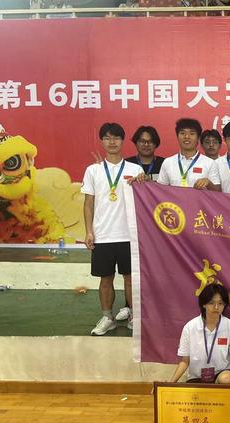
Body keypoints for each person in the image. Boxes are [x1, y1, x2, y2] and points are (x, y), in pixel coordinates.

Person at [81, 122, 144, 335]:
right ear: (102, 141)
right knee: (105, 279)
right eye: (107, 138)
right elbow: (88, 203)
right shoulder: (93, 170)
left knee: (130, 278)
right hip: (103, 235)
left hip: (129, 234)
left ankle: (134, 316)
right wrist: (89, 231)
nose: (112, 142)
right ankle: (107, 317)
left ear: (123, 141)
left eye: (116, 137)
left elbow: (145, 201)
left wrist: (143, 183)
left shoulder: (135, 170)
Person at [170, 283, 230, 386]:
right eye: (211, 303)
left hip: (221, 374)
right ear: (204, 304)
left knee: (226, 379)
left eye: (220, 303)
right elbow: (184, 361)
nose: (216, 307)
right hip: (197, 377)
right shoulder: (190, 327)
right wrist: (171, 383)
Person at [157, 118, 220, 190]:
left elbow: (218, 191)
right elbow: (159, 190)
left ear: (198, 138)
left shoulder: (210, 163)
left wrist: (209, 183)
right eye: (182, 133)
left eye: (192, 133)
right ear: (177, 136)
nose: (186, 137)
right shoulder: (168, 162)